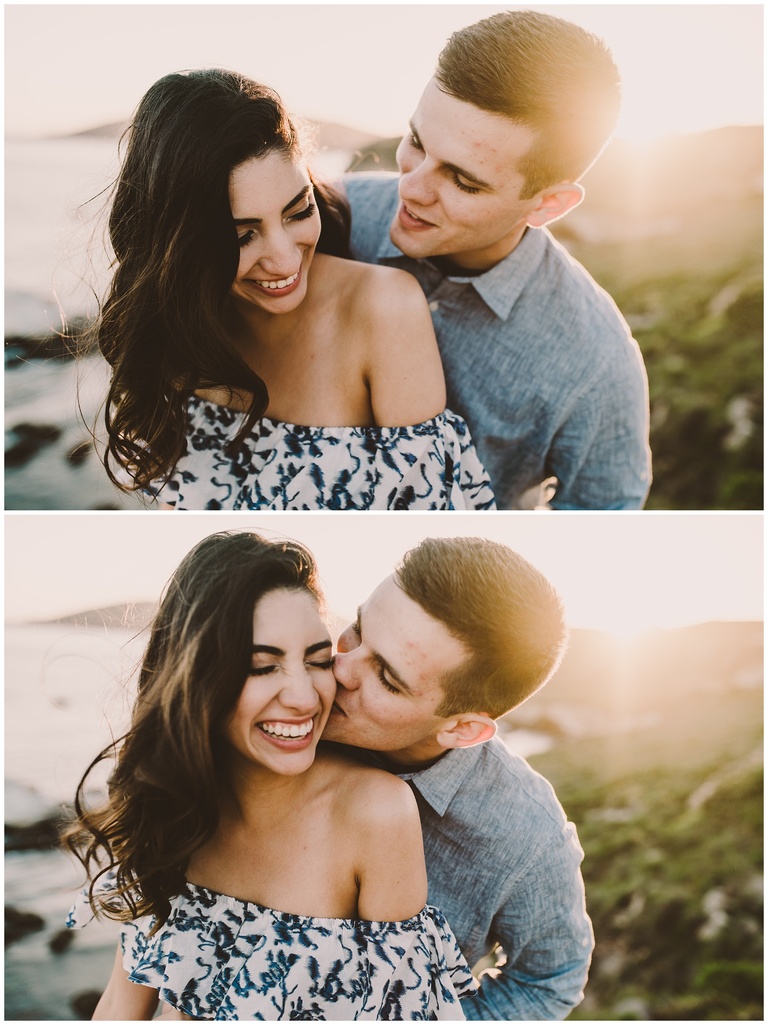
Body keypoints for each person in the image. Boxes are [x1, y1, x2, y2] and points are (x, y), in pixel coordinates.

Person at [62, 531, 476, 1020]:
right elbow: (122, 1002)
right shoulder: (175, 804)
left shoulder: (374, 812)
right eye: (263, 666)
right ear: (195, 677)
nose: (304, 697)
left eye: (318, 661)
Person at [94, 68, 494, 511]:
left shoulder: (383, 308)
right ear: (179, 245)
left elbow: (430, 515)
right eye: (242, 236)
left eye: (298, 211)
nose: (285, 261)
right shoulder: (170, 335)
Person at [344, 9, 652, 510]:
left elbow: (605, 520)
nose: (411, 187)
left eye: (463, 180)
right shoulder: (320, 221)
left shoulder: (598, 364)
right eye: (417, 142)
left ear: (548, 205)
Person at [322, 536, 594, 1019]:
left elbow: (548, 982)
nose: (339, 668)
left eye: (386, 676)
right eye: (357, 630)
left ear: (463, 729)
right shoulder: (276, 709)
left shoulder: (527, 838)